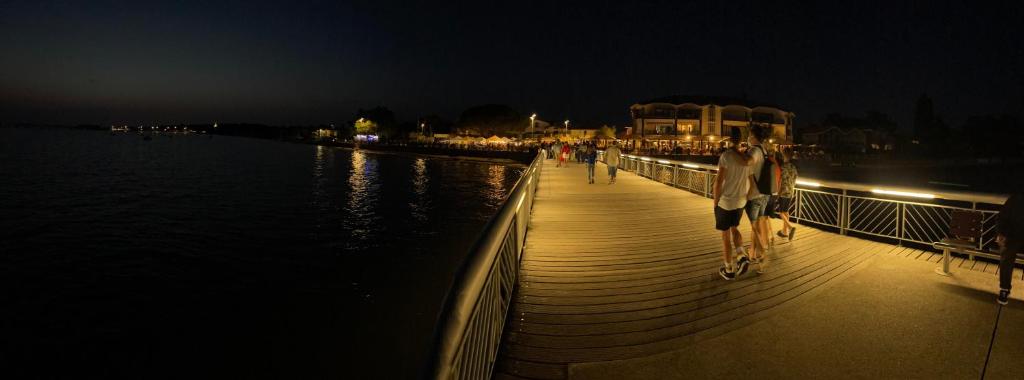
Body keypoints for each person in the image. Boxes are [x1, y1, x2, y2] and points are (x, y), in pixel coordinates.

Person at [714, 127, 752, 280]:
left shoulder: (726, 156)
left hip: (726, 201)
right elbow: (750, 181)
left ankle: (729, 269)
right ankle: (742, 255)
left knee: (725, 236)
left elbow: (718, 181)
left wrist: (715, 202)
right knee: (735, 228)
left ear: (729, 139)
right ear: (741, 140)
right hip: (740, 201)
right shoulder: (745, 159)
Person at [745, 124, 773, 273]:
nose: (748, 138)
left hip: (754, 194)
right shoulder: (764, 150)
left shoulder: (755, 150)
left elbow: (747, 162)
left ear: (753, 136)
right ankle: (752, 253)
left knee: (754, 227)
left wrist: (734, 154)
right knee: (755, 226)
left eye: (749, 135)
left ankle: (761, 254)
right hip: (764, 194)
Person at [997, 192, 1023, 305]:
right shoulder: (1017, 198)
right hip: (1013, 235)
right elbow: (1002, 216)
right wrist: (1001, 233)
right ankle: (1004, 289)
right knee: (1007, 256)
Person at [775, 148, 798, 241]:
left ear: (783, 155)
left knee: (781, 212)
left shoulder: (783, 167)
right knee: (786, 211)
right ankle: (784, 232)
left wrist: (778, 192)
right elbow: (795, 178)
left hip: (783, 192)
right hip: (791, 191)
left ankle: (790, 227)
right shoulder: (793, 167)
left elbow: (780, 180)